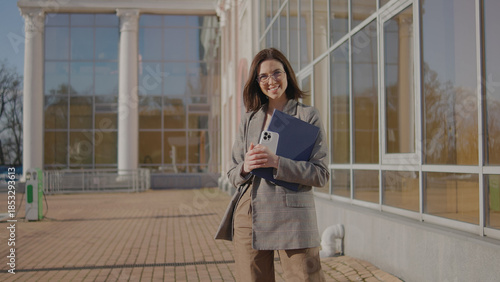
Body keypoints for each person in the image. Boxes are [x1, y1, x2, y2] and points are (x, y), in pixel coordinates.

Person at [215, 48, 329, 281]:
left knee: (305, 277)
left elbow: (321, 174)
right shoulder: (249, 119)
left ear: (287, 74)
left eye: (276, 72)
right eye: (263, 76)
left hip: (294, 215)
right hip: (251, 213)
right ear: (257, 82)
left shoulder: (307, 116)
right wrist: (245, 166)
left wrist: (278, 163)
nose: (271, 80)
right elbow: (232, 173)